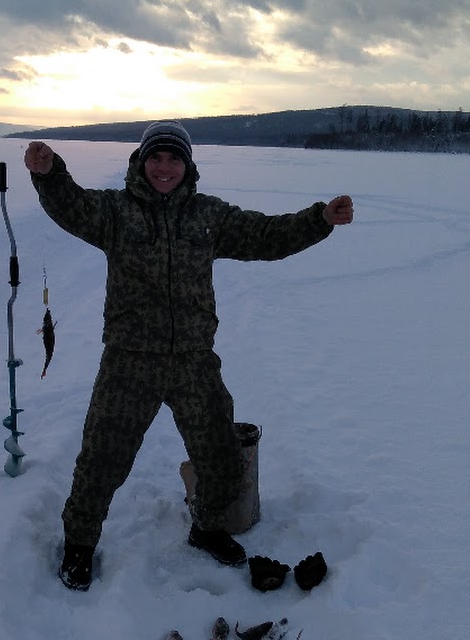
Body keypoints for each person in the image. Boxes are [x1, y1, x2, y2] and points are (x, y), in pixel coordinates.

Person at [24, 121, 354, 591]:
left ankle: (207, 527)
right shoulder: (116, 212)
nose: (164, 167)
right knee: (102, 458)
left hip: (194, 360)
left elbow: (265, 235)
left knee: (219, 454)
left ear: (187, 166)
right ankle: (79, 544)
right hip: (129, 360)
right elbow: (70, 206)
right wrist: (49, 173)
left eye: (173, 159)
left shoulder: (209, 216)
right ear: (140, 162)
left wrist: (318, 219)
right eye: (155, 158)